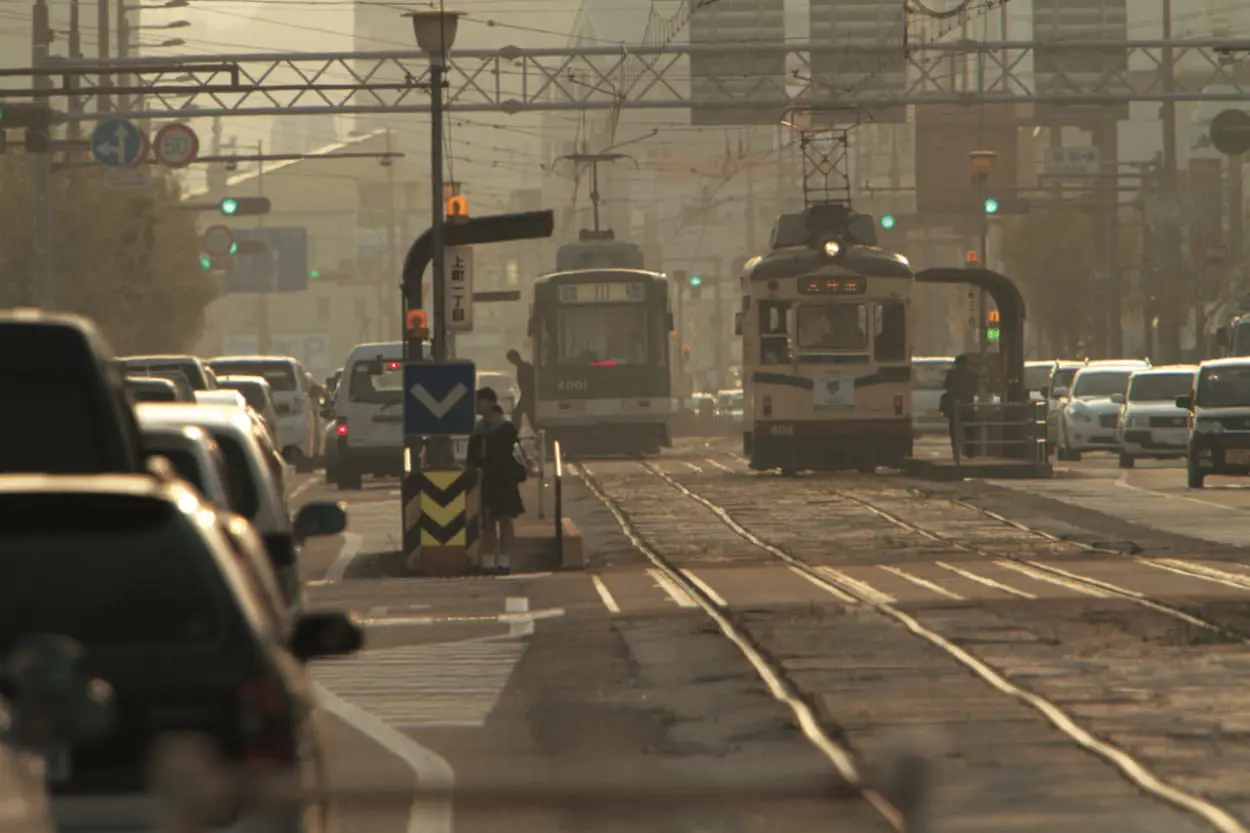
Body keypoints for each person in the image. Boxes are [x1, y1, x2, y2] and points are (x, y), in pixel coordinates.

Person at [473, 403, 525, 573]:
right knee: (488, 521)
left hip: (503, 480)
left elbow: (513, 453)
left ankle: (504, 560)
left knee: (504, 520)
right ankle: (489, 560)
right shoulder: (478, 430)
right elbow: (472, 456)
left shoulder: (506, 428)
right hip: (487, 480)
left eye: (480, 402)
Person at [942, 355, 978, 459]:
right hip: (967, 405)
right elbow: (976, 389)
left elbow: (946, 386)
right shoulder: (972, 375)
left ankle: (956, 451)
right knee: (969, 431)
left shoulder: (951, 374)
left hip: (954, 406)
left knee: (954, 431)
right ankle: (970, 452)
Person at [506, 349, 535, 432]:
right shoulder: (522, 367)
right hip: (526, 396)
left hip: (528, 396)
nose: (511, 362)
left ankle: (514, 433)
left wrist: (526, 395)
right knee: (525, 416)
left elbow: (529, 383)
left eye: (511, 359)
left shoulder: (524, 367)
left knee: (518, 415)